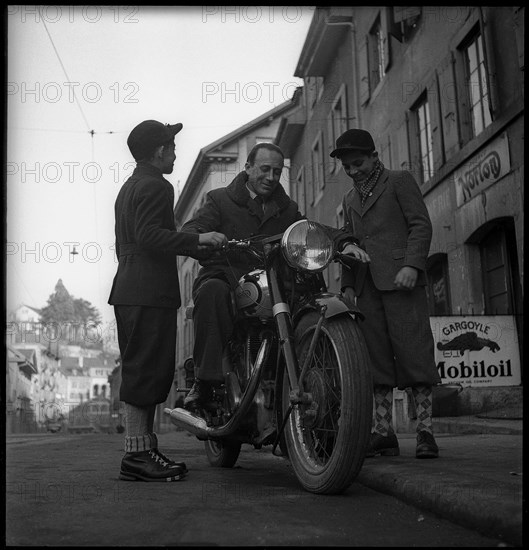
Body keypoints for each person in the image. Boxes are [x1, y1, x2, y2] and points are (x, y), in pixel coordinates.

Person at [108, 119, 227, 481]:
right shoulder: (157, 186)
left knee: (140, 370)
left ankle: (141, 448)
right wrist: (197, 240)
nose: (175, 153)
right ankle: (137, 457)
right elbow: (148, 236)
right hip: (149, 292)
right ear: (159, 151)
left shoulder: (129, 187)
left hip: (129, 286)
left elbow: (130, 242)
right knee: (148, 372)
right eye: (172, 148)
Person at [331, 128, 441, 459]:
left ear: (375, 157)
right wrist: (348, 285)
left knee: (415, 355)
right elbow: (350, 243)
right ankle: (383, 432)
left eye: (358, 163)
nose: (353, 172)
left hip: (402, 282)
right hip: (367, 290)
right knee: (376, 361)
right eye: (347, 167)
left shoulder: (399, 180)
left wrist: (412, 265)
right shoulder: (349, 200)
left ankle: (425, 432)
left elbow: (421, 225)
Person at [180, 142, 304, 411]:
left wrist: (344, 241)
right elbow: (192, 229)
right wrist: (205, 237)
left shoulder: (288, 209)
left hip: (273, 284)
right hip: (228, 275)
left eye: (277, 171)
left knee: (308, 296)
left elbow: (308, 231)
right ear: (248, 168)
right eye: (265, 169)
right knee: (212, 291)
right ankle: (205, 381)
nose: (271, 178)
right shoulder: (219, 199)